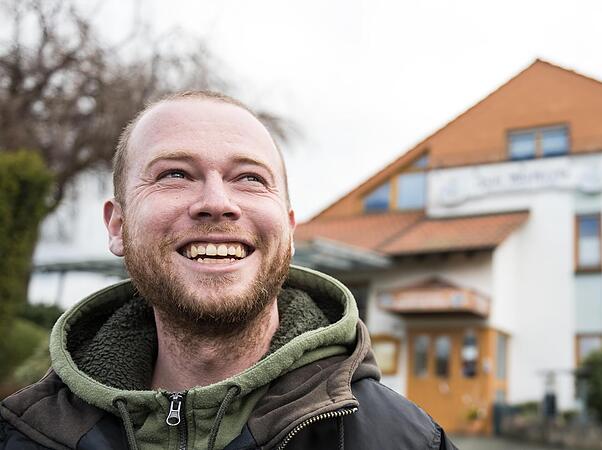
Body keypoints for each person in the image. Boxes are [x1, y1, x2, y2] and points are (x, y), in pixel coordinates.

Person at [0, 91, 457, 450]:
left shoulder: (408, 441)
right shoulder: (23, 434)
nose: (217, 203)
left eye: (250, 178)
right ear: (118, 226)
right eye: (175, 174)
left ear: (290, 231)